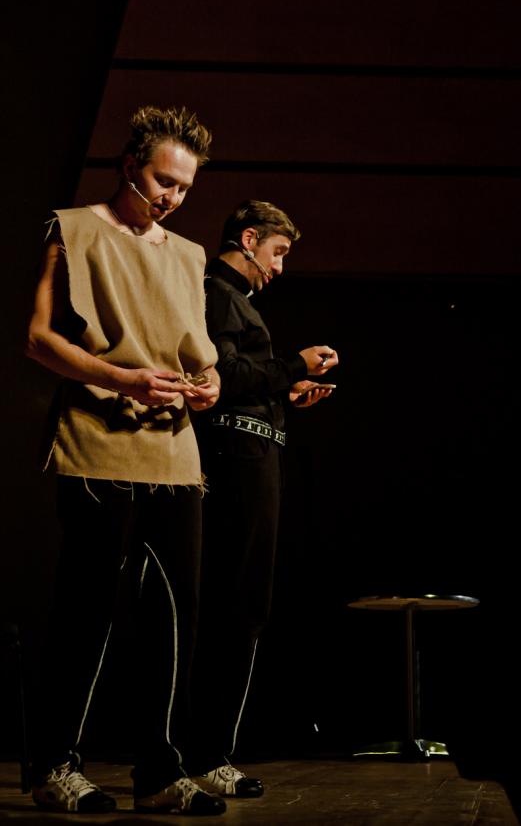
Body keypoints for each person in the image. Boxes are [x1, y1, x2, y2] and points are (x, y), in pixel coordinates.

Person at [25, 105, 227, 816]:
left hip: (175, 451)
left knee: (176, 616)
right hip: (98, 443)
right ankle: (54, 766)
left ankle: (159, 772)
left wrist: (210, 384)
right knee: (88, 611)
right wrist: (123, 379)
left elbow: (201, 354)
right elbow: (39, 338)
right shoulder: (72, 229)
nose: (171, 197)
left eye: (183, 188)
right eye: (162, 181)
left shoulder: (190, 255)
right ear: (129, 166)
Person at [186, 199, 339, 798]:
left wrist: (286, 390)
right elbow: (220, 376)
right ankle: (206, 753)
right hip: (235, 464)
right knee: (235, 605)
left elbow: (243, 381)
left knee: (244, 605)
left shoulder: (237, 300)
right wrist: (290, 365)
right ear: (248, 240)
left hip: (253, 457)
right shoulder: (217, 292)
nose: (279, 268)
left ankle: (210, 751)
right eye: (277, 253)